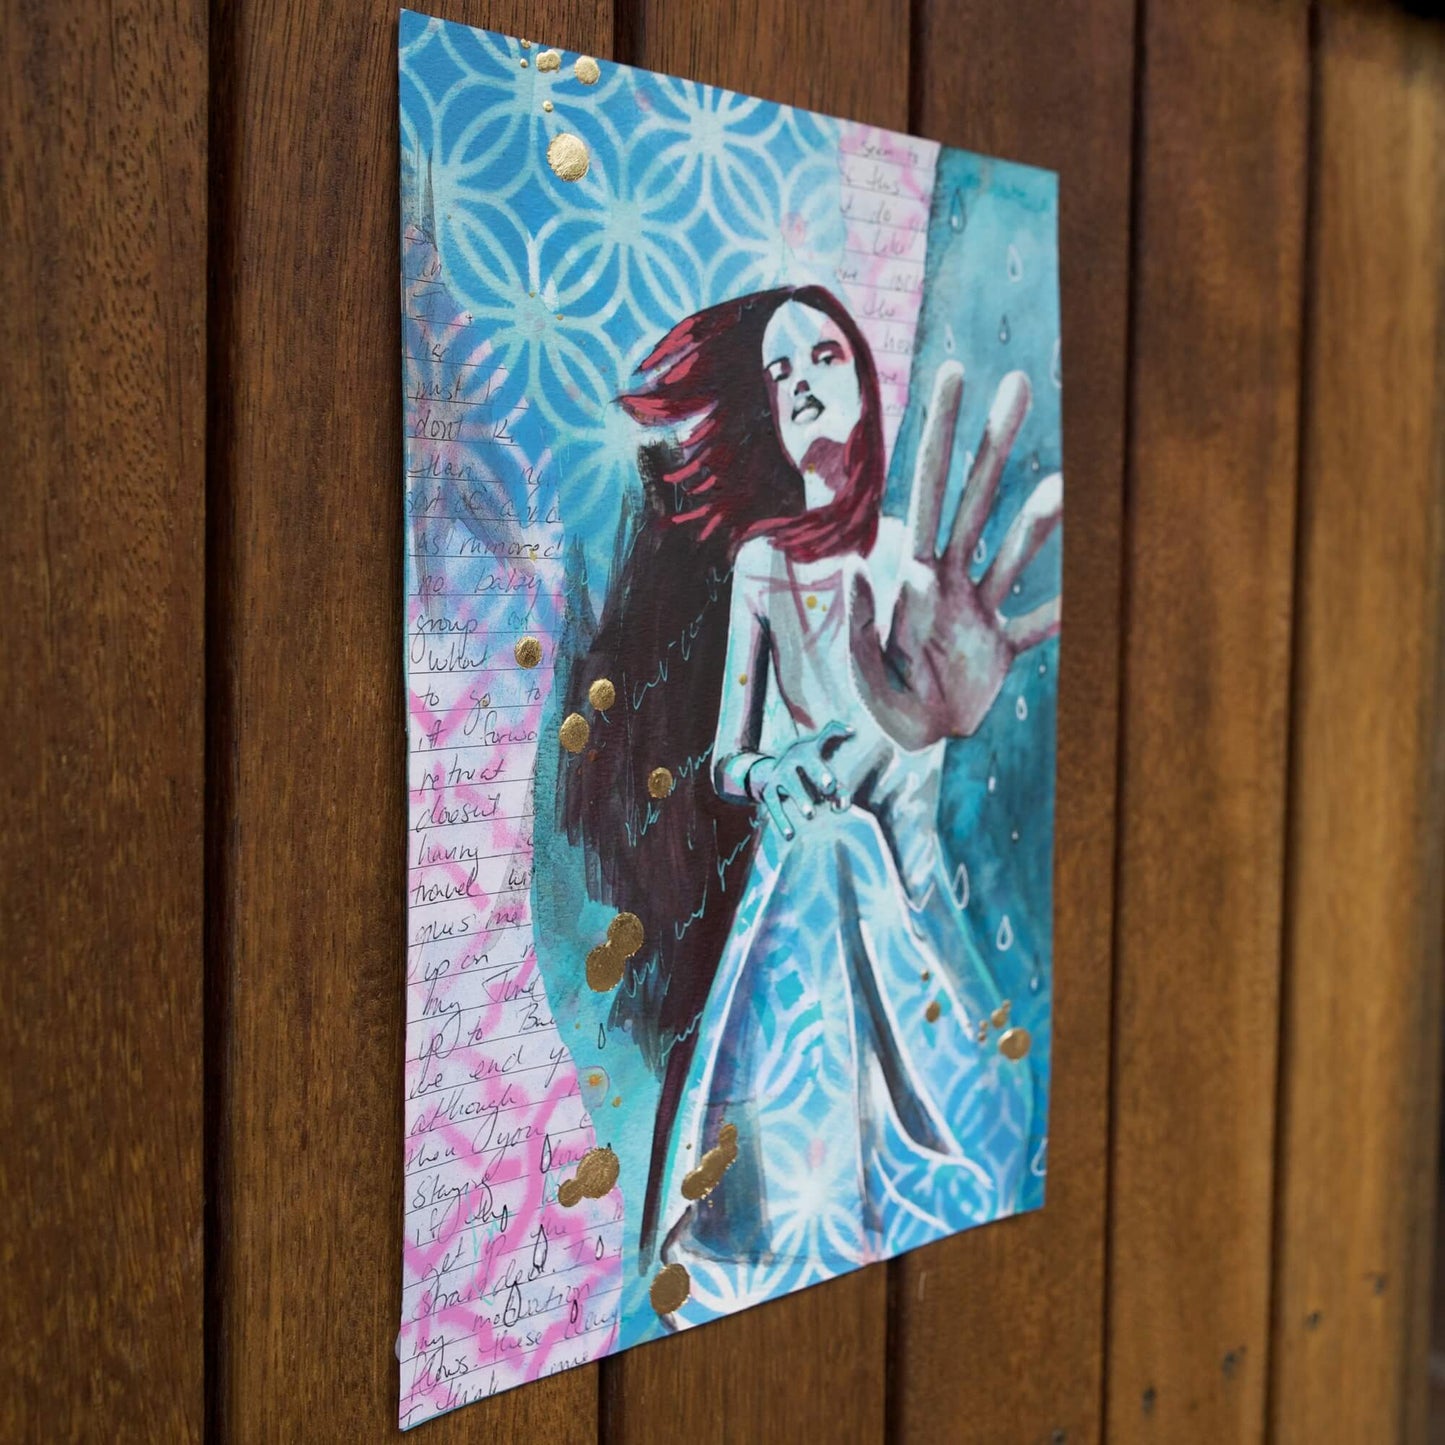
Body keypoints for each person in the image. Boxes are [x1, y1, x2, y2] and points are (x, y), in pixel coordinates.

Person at [559, 285, 1060, 1320]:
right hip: (798, 894)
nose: (799, 385)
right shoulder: (764, 563)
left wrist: (943, 718)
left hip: (904, 914)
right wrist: (767, 775)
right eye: (778, 373)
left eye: (821, 357)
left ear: (867, 386)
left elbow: (915, 768)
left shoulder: (914, 562)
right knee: (828, 846)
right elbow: (722, 759)